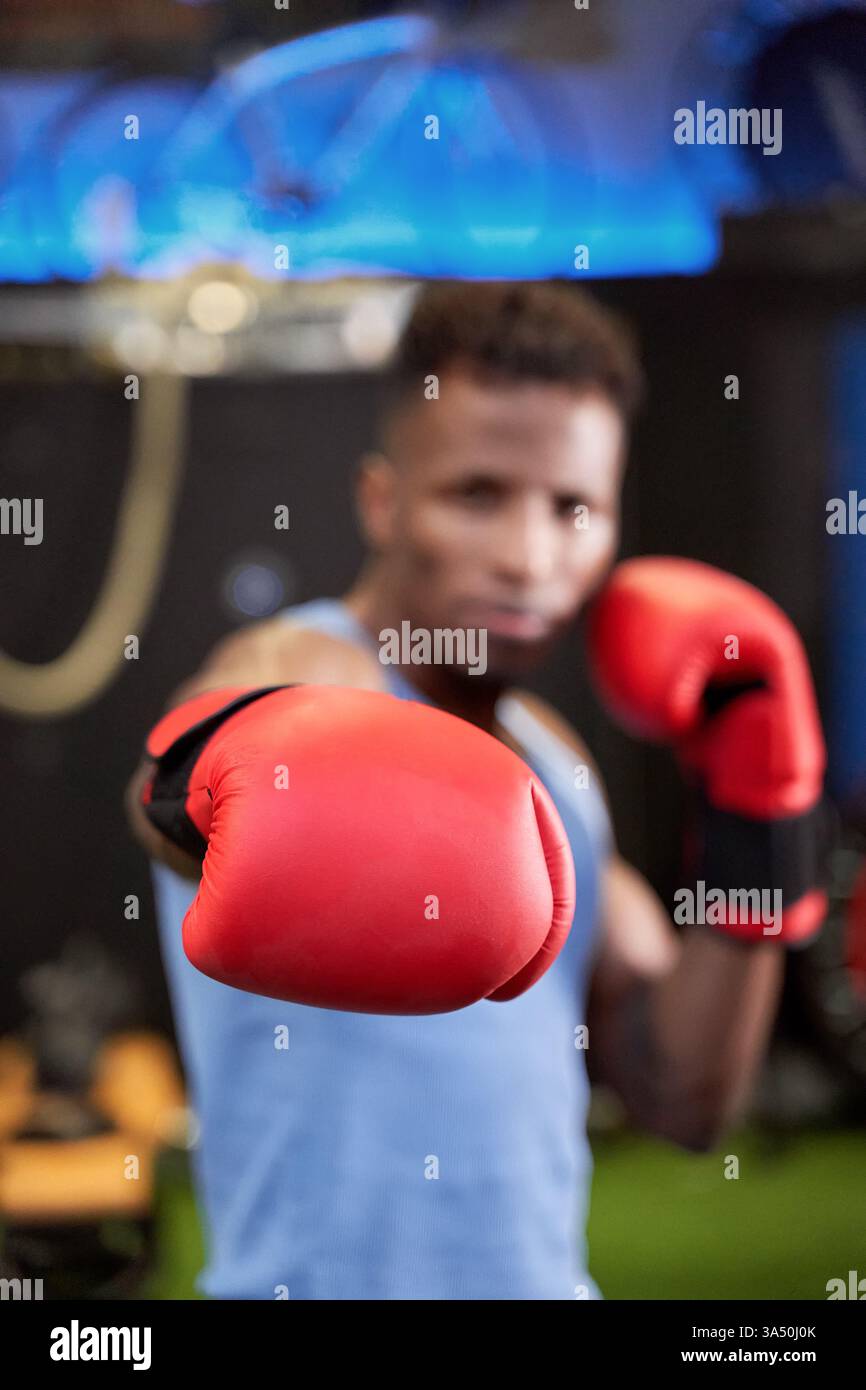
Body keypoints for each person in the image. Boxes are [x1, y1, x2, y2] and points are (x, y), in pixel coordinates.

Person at [126, 281, 825, 1300]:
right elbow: (212, 744)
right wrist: (215, 769)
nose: (530, 557)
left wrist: (755, 816)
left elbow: (685, 1099)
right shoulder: (316, 664)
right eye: (477, 493)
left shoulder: (550, 765)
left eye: (572, 507)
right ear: (382, 499)